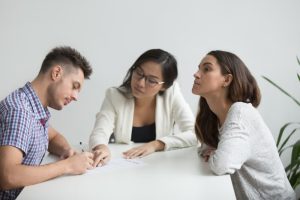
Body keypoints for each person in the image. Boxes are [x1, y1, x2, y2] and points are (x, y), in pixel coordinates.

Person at [192, 50, 296, 199]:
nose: (196, 74)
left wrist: (216, 153)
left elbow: (222, 164)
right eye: (198, 68)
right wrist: (216, 151)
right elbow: (205, 149)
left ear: (226, 80)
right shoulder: (213, 116)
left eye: (206, 69)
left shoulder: (241, 112)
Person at [0, 46, 95, 200]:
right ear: (56, 73)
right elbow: (8, 176)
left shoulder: (34, 107)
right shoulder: (20, 112)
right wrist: (68, 165)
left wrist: (66, 150)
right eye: (74, 86)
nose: (76, 96)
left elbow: (53, 137)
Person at [89, 49, 197, 167]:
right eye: (139, 73)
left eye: (151, 81)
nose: (140, 83)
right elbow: (100, 132)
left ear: (164, 86)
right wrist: (101, 148)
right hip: (125, 164)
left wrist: (156, 145)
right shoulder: (114, 96)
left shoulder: (171, 94)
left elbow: (195, 133)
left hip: (160, 166)